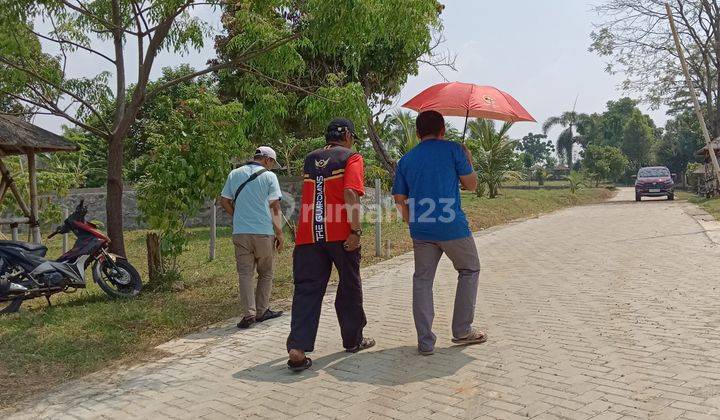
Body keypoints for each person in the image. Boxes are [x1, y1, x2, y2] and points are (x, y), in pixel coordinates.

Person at [391, 110, 487, 356]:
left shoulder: (406, 160)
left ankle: (425, 342)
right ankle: (462, 330)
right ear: (443, 129)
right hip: (452, 225)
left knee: (422, 281)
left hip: (421, 228)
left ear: (417, 133)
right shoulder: (454, 150)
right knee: (469, 269)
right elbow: (472, 185)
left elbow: (400, 198)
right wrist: (468, 158)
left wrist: (411, 222)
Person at [286, 118, 375, 372]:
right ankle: (353, 340)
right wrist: (356, 230)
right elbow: (350, 193)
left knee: (307, 291)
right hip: (341, 234)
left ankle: (297, 349)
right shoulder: (352, 158)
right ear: (347, 135)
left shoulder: (309, 158)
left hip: (308, 237)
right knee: (349, 286)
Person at [220, 146, 285, 329]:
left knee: (245, 274)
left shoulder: (234, 174)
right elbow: (275, 207)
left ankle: (249, 314)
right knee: (266, 273)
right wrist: (279, 233)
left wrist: (237, 216)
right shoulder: (270, 177)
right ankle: (262, 311)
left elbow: (224, 200)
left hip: (241, 232)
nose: (272, 167)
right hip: (263, 232)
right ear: (267, 160)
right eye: (272, 162)